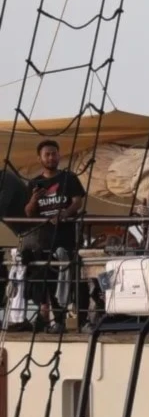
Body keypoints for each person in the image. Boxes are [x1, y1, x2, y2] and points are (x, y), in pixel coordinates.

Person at [23, 139, 87, 332]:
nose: (51, 157)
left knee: (72, 278)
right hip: (44, 239)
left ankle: (80, 319)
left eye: (54, 153)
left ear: (59, 155)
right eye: (47, 154)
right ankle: (56, 320)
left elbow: (77, 202)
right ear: (40, 158)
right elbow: (29, 212)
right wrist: (34, 199)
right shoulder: (35, 183)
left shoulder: (69, 178)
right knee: (49, 280)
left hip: (67, 237)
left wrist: (64, 214)